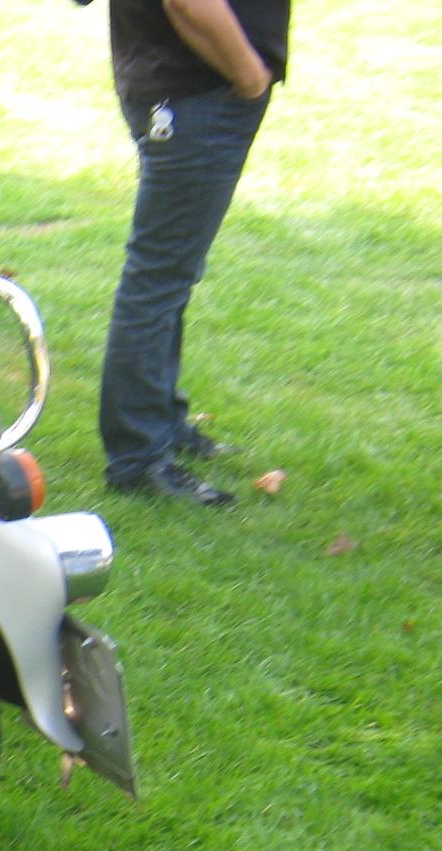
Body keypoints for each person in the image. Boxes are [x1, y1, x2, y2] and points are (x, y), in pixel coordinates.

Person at [90, 0, 290, 506]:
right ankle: (138, 457)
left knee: (171, 274)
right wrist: (248, 74)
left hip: (185, 87)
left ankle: (162, 424)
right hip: (196, 92)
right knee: (158, 279)